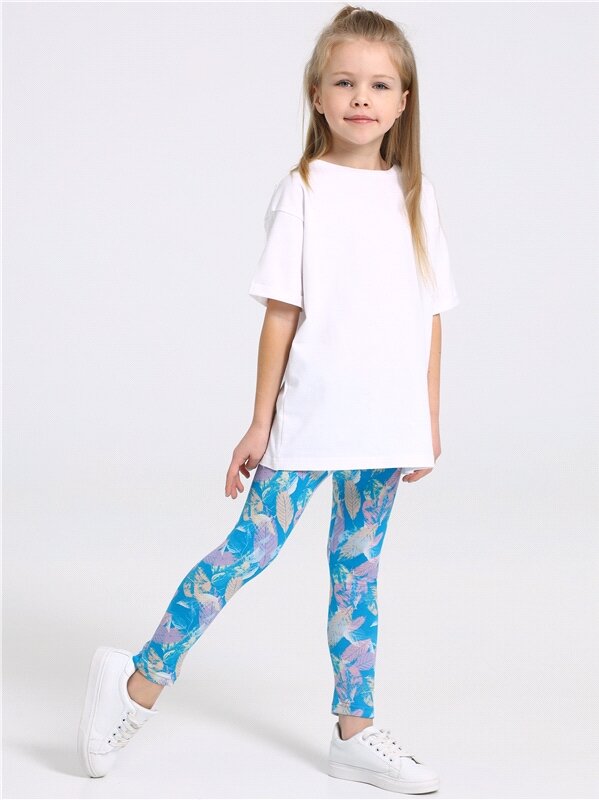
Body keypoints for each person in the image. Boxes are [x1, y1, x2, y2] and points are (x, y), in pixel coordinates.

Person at [77, 5, 460, 794]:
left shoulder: (416, 196)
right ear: (317, 95)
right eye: (344, 82)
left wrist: (425, 421)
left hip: (383, 424)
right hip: (313, 415)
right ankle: (135, 684)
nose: (361, 97)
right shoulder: (303, 191)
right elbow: (281, 314)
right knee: (246, 553)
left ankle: (354, 731)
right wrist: (260, 422)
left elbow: (429, 316)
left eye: (378, 85)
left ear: (403, 101)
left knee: (357, 574)